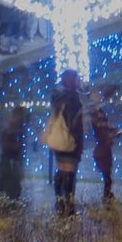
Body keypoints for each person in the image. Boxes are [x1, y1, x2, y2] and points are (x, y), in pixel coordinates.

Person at [49, 69, 85, 216]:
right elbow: (74, 122)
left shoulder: (58, 96)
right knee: (70, 174)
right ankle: (69, 208)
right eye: (77, 78)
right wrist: (77, 141)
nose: (80, 81)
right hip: (70, 141)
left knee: (62, 171)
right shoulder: (72, 98)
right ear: (71, 80)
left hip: (59, 141)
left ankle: (59, 202)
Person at [89, 85, 119, 204]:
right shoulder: (97, 113)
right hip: (103, 148)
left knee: (107, 174)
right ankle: (107, 196)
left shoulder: (97, 113)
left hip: (103, 147)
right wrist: (112, 133)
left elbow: (102, 129)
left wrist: (112, 132)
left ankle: (107, 195)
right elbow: (101, 131)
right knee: (107, 174)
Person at [0, 104, 26, 201]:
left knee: (7, 185)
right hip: (10, 161)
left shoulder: (14, 127)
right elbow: (7, 145)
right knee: (9, 186)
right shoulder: (12, 128)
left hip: (10, 161)